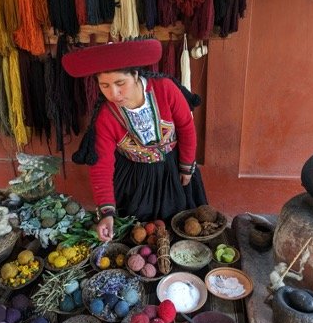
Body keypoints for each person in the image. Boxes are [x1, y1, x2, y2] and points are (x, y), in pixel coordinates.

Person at [62, 38, 208, 241]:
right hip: (134, 180)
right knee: (140, 236)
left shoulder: (165, 89)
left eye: (120, 83)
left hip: (172, 170)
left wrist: (186, 165)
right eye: (104, 85)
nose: (113, 93)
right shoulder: (105, 115)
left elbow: (186, 127)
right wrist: (106, 212)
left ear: (136, 74)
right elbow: (101, 165)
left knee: (179, 228)